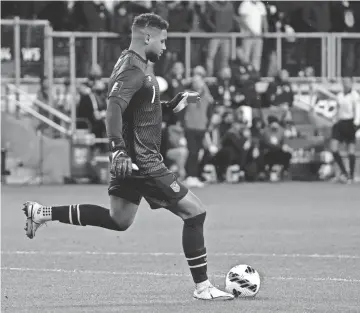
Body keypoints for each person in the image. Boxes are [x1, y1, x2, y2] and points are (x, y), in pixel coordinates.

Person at [22, 13, 234, 301]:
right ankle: (204, 288)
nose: (164, 47)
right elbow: (113, 108)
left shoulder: (129, 61)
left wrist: (171, 104)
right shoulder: (133, 69)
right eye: (162, 40)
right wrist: (118, 148)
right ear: (147, 37)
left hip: (130, 161)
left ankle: (42, 213)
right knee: (195, 213)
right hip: (142, 162)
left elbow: (138, 106)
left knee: (118, 220)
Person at [330, 77, 360, 183]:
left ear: (351, 83)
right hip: (340, 123)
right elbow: (337, 109)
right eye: (344, 82)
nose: (345, 84)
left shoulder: (355, 96)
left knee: (350, 150)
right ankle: (344, 172)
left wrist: (356, 124)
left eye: (347, 82)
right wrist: (334, 119)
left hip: (350, 123)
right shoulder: (339, 96)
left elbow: (358, 110)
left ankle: (351, 175)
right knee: (334, 148)